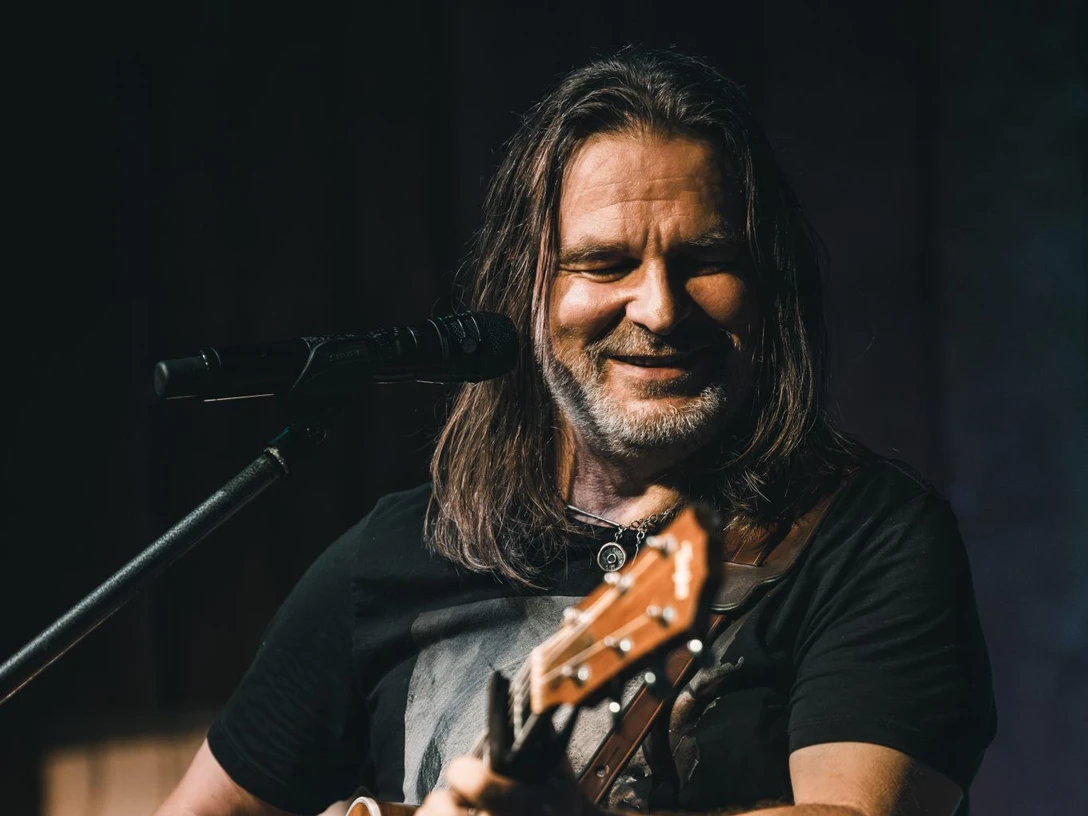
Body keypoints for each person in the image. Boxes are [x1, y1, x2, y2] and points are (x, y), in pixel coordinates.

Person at [156, 47, 995, 816]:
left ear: (766, 285)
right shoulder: (399, 552)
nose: (661, 309)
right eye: (606, 264)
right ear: (526, 290)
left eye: (706, 260)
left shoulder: (867, 537)